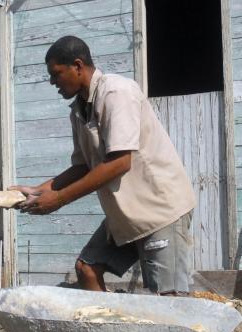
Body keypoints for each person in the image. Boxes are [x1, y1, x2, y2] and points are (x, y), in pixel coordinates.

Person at [11, 36, 195, 296]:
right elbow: (84, 166)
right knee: (87, 268)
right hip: (127, 213)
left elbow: (120, 162)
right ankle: (106, 330)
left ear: (78, 65)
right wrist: (38, 191)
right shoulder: (78, 110)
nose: (53, 82)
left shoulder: (116, 92)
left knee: (169, 300)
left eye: (56, 74)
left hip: (159, 209)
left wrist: (59, 200)